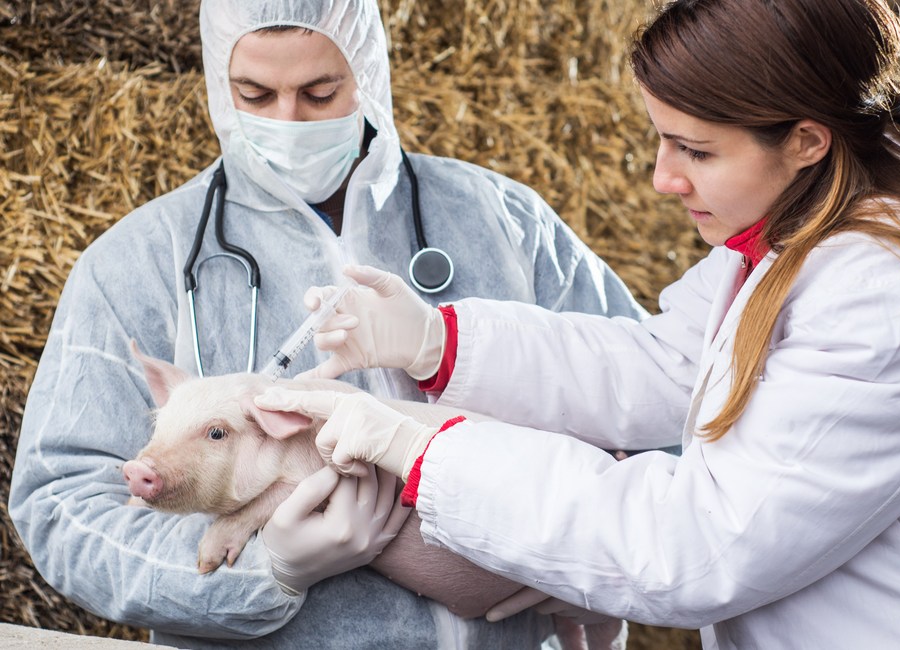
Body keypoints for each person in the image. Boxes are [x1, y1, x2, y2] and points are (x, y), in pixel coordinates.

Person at [253, 0, 900, 647]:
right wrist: (440, 340)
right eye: (662, 139)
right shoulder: (814, 214)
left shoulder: (895, 293)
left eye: (696, 151)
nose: (662, 178)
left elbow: (700, 545)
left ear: (807, 139)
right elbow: (667, 360)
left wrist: (424, 451)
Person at [7, 0, 646, 648]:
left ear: (367, 71)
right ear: (217, 88)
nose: (288, 119)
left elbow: (659, 395)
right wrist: (268, 567)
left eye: (319, 91)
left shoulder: (507, 222)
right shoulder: (137, 261)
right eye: (254, 93)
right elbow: (62, 509)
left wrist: (594, 538)